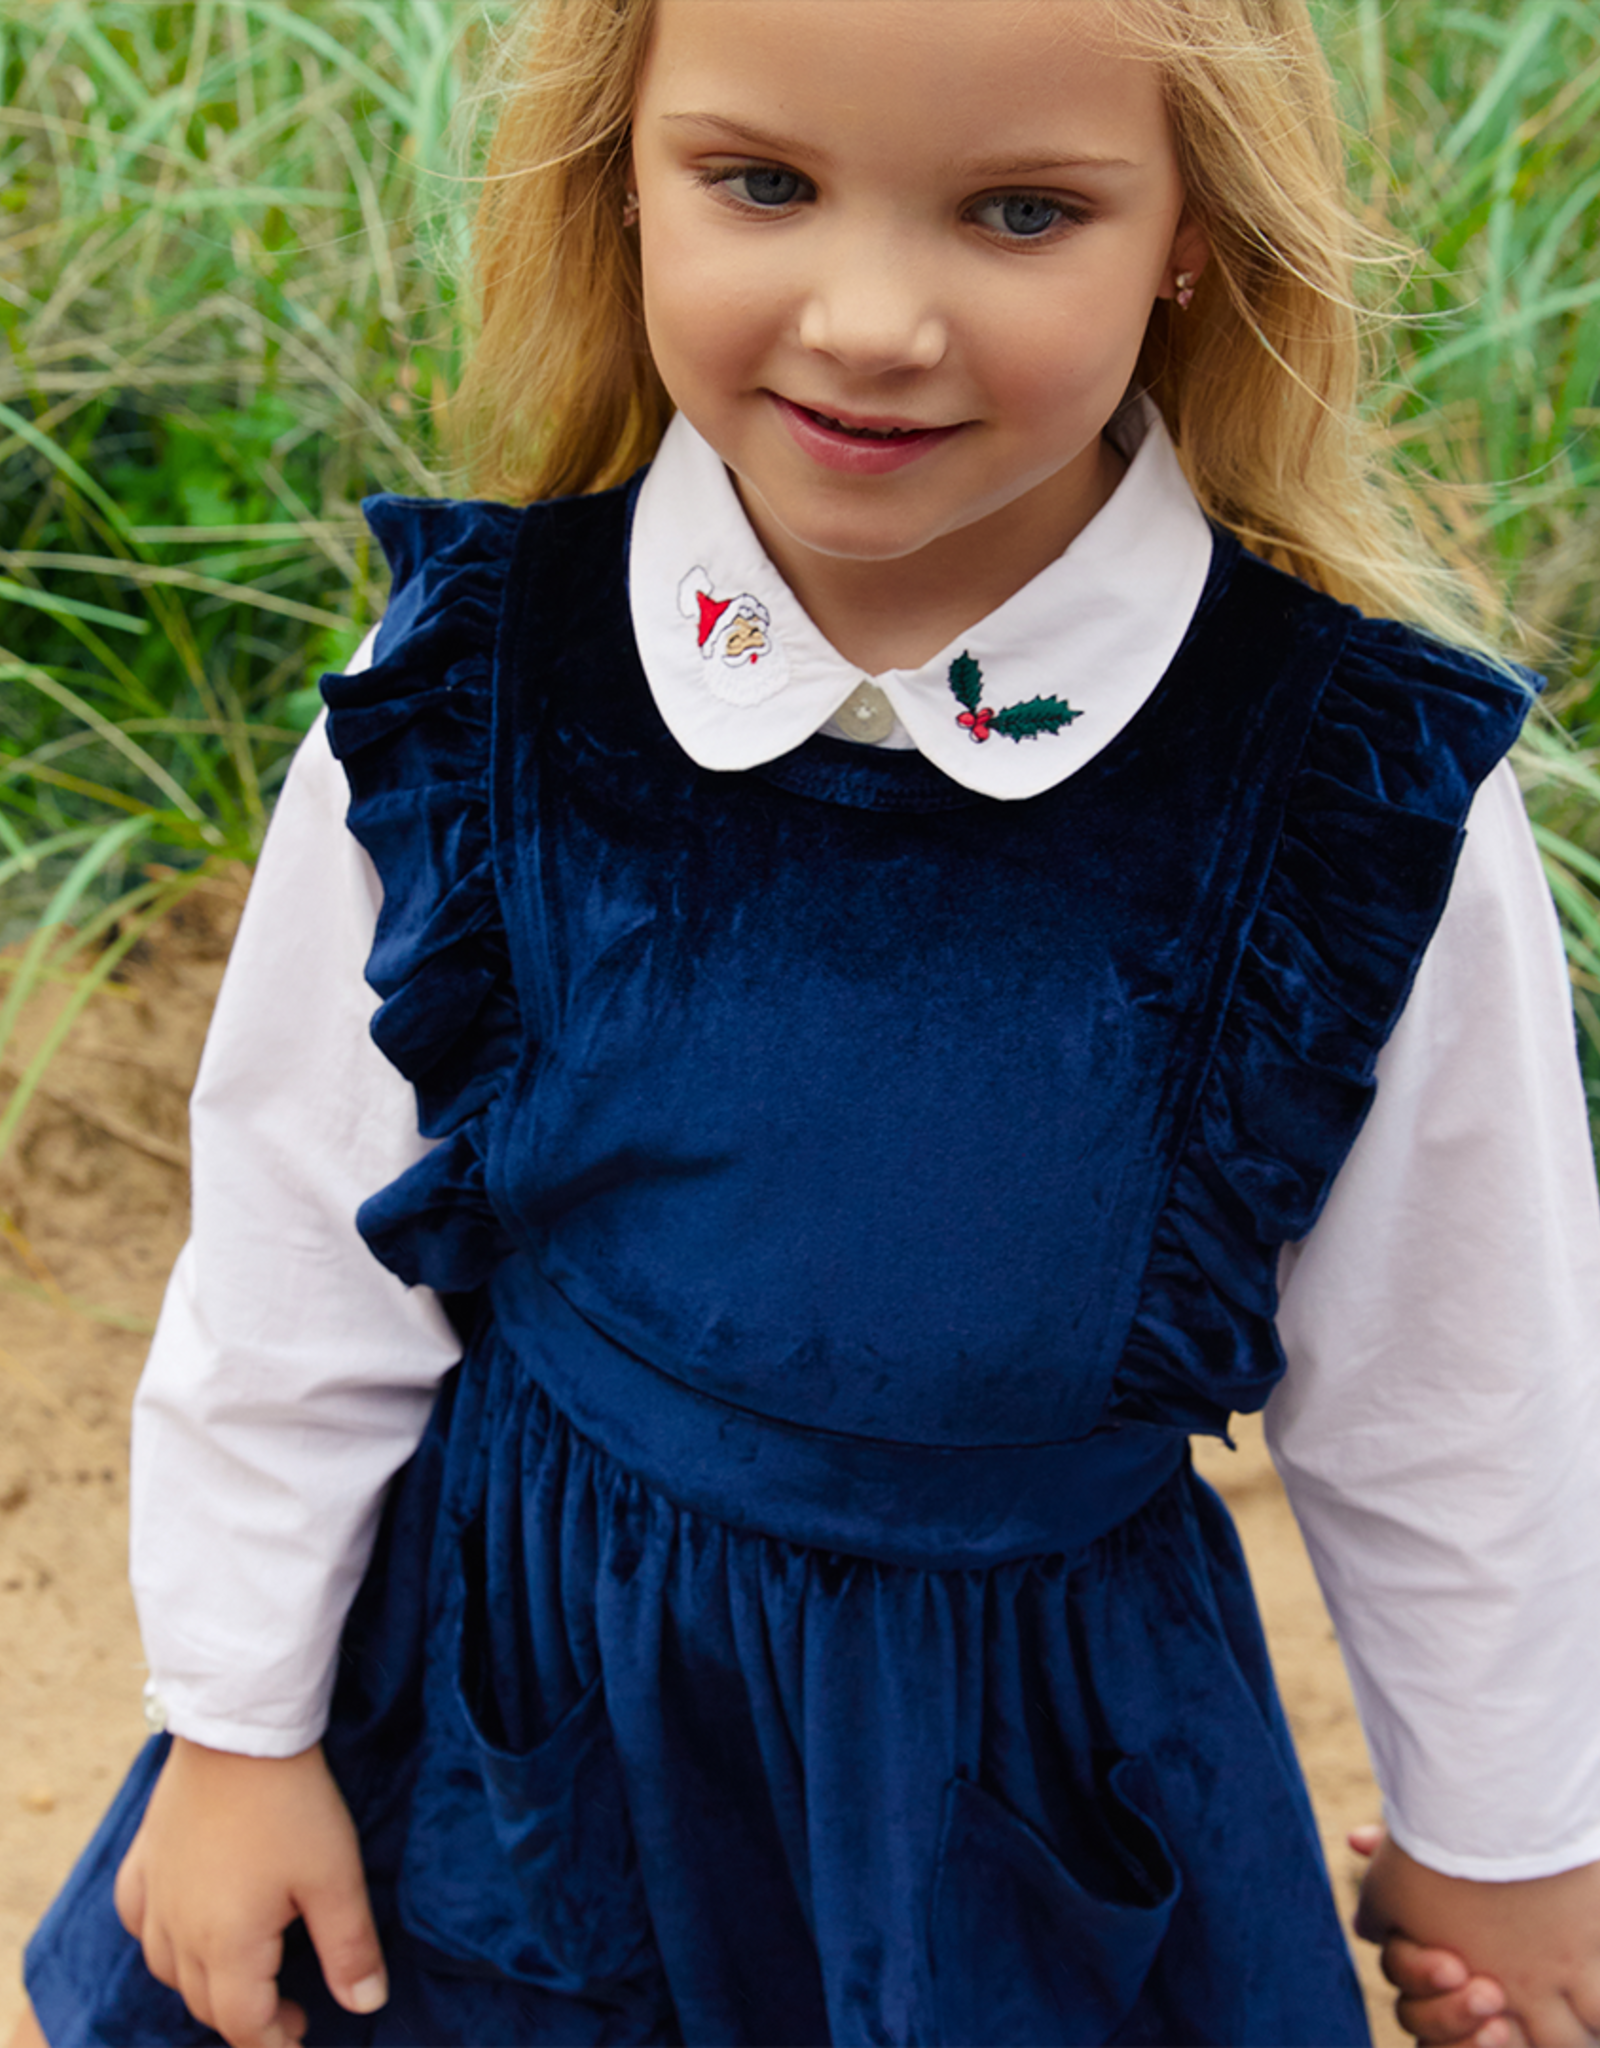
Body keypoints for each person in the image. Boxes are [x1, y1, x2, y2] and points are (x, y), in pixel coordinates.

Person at [16, 0, 1600, 2043]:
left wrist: (1506, 1834)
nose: (868, 319)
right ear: (622, 177)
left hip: (1027, 1785)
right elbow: (301, 1244)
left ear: (1190, 226)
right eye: (760, 184)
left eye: (1018, 210)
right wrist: (238, 1725)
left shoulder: (1344, 790)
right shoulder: (475, 679)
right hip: (523, 1752)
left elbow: (1455, 1388)